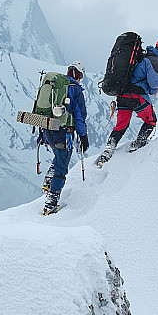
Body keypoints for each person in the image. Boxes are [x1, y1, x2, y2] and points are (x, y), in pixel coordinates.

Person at [95, 37, 158, 167]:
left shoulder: (143, 57)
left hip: (123, 96)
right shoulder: (153, 61)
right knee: (151, 121)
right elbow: (154, 83)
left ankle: (108, 151)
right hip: (137, 96)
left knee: (121, 125)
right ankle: (137, 147)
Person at [40, 61, 89, 215]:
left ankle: (49, 181)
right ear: (79, 75)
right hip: (63, 132)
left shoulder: (56, 86)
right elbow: (80, 116)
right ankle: (51, 203)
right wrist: (83, 136)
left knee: (59, 156)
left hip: (48, 129)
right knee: (62, 166)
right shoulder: (75, 89)